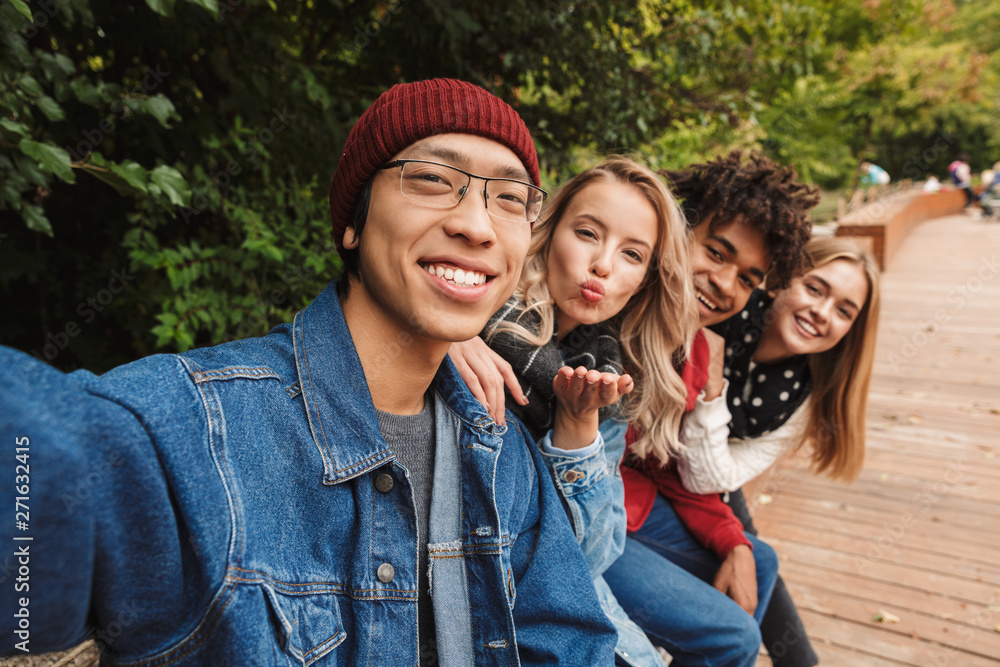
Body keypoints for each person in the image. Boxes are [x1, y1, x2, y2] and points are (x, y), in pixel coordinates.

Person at [0, 78, 618, 664]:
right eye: (431, 179)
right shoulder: (197, 426)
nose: (477, 224)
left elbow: (569, 642)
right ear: (352, 221)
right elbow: (48, 463)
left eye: (509, 199)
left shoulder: (501, 449)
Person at [449, 156, 697, 666]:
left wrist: (579, 424)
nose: (603, 265)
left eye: (632, 254)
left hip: (559, 599)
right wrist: (448, 335)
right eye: (587, 233)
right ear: (548, 229)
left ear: (647, 278)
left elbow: (594, 555)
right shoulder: (468, 311)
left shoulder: (609, 376)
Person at [602, 151, 818, 667]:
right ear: (677, 231)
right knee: (733, 638)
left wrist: (733, 542)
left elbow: (671, 469)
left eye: (748, 278)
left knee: (756, 557)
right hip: (587, 520)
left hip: (637, 506)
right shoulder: (608, 304)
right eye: (716, 253)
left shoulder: (697, 351)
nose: (726, 283)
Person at [677, 236, 881, 666]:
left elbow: (718, 477)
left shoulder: (806, 397)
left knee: (751, 556)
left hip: (704, 474)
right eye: (815, 288)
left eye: (844, 311)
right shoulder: (717, 311)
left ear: (851, 330)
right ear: (783, 279)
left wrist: (713, 390)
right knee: (750, 551)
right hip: (648, 459)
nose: (821, 313)